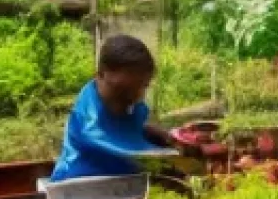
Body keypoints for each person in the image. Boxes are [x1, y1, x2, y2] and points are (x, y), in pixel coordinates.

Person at [50, 35, 180, 182]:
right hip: (79, 184)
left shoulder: (128, 100)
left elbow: (123, 125)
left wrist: (159, 134)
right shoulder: (89, 118)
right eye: (125, 91)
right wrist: (170, 156)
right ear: (102, 73)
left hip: (125, 182)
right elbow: (112, 143)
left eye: (143, 86)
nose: (138, 96)